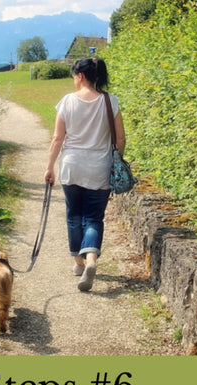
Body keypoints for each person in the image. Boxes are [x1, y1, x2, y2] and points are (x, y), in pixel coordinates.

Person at [44, 58, 126, 291]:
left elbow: (58, 138)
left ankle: (78, 263)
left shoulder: (67, 101)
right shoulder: (111, 101)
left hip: (71, 166)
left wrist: (49, 166)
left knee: (74, 215)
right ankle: (91, 259)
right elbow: (120, 139)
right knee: (93, 218)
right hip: (99, 168)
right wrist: (115, 161)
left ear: (80, 76)